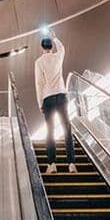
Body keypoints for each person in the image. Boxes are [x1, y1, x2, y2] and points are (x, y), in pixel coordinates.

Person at [34, 29, 76, 174]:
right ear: (51, 47)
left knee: (50, 131)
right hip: (61, 95)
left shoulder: (39, 62)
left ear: (42, 48)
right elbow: (62, 48)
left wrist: (40, 103)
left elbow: (39, 84)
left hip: (48, 98)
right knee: (66, 129)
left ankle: (52, 164)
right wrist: (55, 37)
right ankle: (71, 163)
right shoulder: (58, 56)